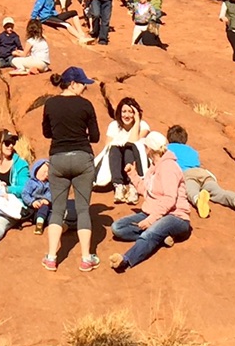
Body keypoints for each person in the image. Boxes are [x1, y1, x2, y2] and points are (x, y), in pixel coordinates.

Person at [40, 67, 101, 272]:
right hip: (82, 158)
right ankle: (86, 258)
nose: (85, 88)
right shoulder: (85, 105)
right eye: (83, 84)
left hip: (57, 158)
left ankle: (51, 257)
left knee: (58, 209)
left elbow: (46, 133)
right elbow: (95, 137)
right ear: (73, 84)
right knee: (83, 209)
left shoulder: (50, 103)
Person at [109, 132, 193, 271]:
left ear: (150, 149)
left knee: (150, 232)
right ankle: (161, 237)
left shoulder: (169, 167)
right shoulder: (153, 168)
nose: (144, 149)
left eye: (145, 146)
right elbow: (146, 191)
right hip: (154, 212)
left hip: (175, 216)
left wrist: (151, 220)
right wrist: (133, 174)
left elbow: (170, 199)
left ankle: (126, 260)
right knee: (118, 227)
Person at [164, 124, 235, 219]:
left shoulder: (168, 148)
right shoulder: (192, 151)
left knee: (191, 191)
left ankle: (199, 200)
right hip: (203, 173)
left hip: (187, 174)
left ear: (169, 138)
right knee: (219, 192)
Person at [96, 96, 151, 202]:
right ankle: (119, 186)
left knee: (130, 148)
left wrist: (137, 121)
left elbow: (135, 142)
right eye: (124, 111)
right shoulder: (114, 125)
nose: (127, 115)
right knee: (114, 148)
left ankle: (133, 186)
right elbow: (108, 147)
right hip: (118, 166)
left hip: (136, 164)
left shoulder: (143, 125)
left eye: (131, 112)